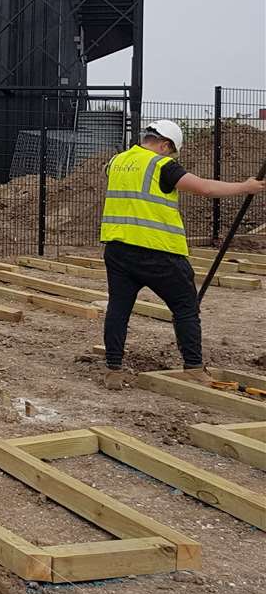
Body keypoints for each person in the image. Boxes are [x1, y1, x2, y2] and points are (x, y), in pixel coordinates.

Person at [99, 119, 265, 390]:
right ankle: (194, 367)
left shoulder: (117, 161)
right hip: (158, 252)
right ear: (165, 145)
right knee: (186, 307)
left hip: (118, 249)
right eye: (171, 151)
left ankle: (113, 369)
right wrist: (245, 187)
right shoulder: (162, 165)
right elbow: (205, 188)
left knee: (118, 308)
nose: (171, 157)